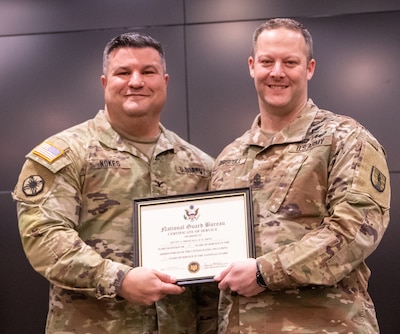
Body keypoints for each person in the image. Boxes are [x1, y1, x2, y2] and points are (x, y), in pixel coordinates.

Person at [13, 32, 218, 333]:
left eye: (148, 72)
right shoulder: (67, 155)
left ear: (165, 81)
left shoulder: (199, 166)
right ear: (105, 82)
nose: (136, 81)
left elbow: (210, 275)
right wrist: (117, 280)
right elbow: (43, 237)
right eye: (123, 72)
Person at [210, 18, 391, 333]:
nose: (277, 72)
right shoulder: (229, 158)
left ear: (309, 68)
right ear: (252, 66)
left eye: (289, 62)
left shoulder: (346, 138)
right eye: (267, 61)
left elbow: (354, 232)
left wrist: (265, 272)